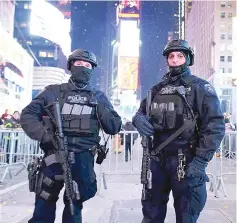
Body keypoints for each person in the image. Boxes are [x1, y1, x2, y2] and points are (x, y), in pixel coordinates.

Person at [20, 49, 122, 223]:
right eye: (79, 64)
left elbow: (113, 127)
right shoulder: (53, 92)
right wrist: (44, 135)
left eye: (87, 65)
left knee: (75, 204)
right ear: (71, 66)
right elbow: (27, 115)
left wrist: (101, 108)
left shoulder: (98, 97)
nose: (83, 67)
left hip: (83, 158)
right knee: (44, 200)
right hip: (54, 154)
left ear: (92, 69)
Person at [132, 39, 225, 223]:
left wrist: (200, 161)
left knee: (186, 215)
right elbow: (140, 112)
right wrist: (138, 120)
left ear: (188, 59)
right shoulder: (157, 89)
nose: (175, 60)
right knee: (151, 214)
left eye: (180, 56)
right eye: (171, 56)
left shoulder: (200, 88)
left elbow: (215, 126)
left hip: (187, 161)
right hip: (157, 160)